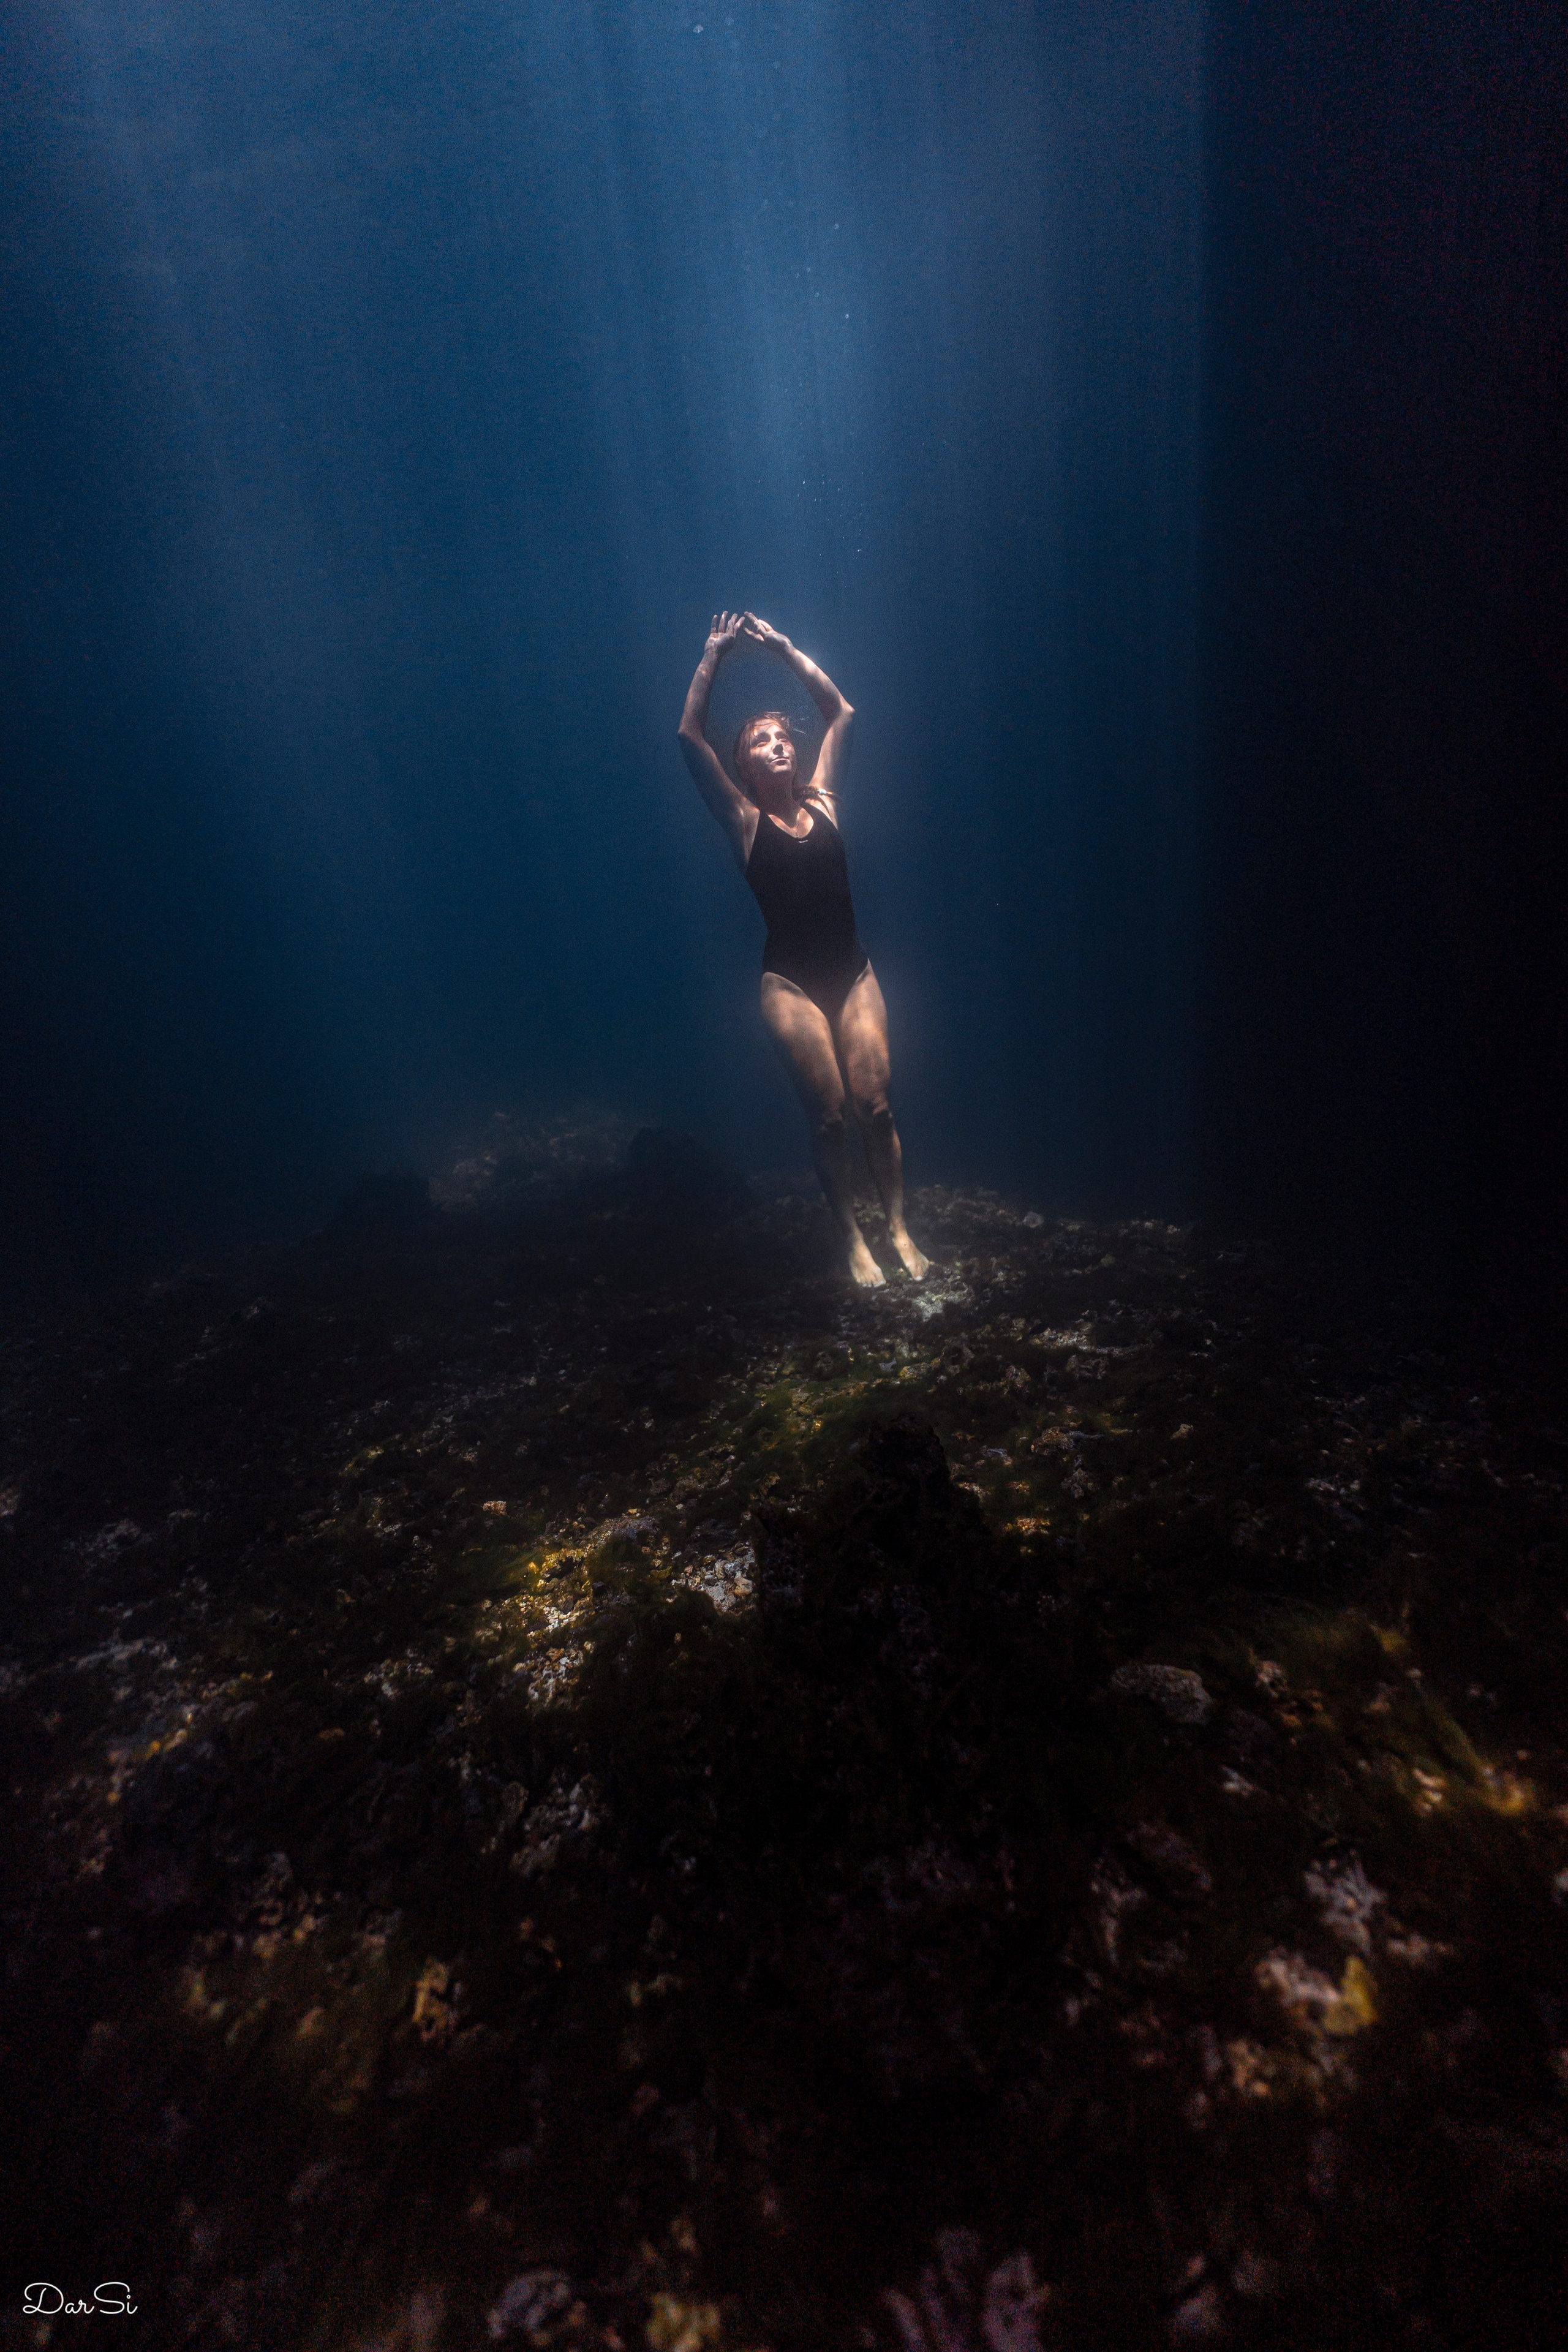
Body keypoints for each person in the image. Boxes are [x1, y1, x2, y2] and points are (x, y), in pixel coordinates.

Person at [677, 609, 928, 1288]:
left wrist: (785, 648)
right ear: (744, 765)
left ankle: (899, 1229)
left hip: (854, 973)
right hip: (788, 984)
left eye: (782, 735)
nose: (779, 744)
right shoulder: (743, 820)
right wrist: (715, 654)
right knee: (830, 1117)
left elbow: (842, 712)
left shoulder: (825, 800)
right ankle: (852, 1239)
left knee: (876, 1107)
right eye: (761, 741)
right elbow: (687, 735)